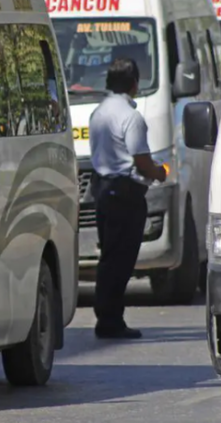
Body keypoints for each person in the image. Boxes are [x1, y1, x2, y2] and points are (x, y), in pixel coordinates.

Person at [88, 57, 167, 339]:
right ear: (134, 84)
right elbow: (142, 161)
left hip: (103, 190)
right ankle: (111, 320)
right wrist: (160, 172)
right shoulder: (131, 117)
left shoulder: (98, 113)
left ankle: (106, 315)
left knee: (109, 257)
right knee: (121, 259)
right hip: (125, 193)